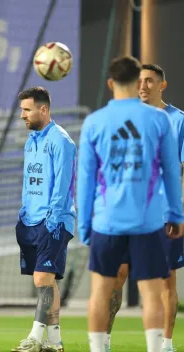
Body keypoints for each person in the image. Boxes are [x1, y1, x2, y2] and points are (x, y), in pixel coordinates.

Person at [76, 56, 184, 352]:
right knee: (151, 292)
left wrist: (84, 225)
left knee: (100, 291)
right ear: (138, 82)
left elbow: (85, 179)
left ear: (110, 83)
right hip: (149, 220)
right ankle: (155, 348)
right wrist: (175, 213)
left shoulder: (95, 122)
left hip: (106, 221)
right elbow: (172, 171)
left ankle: (99, 349)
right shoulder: (159, 119)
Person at [10, 87, 76, 352]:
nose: (23, 115)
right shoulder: (31, 140)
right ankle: (56, 343)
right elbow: (30, 182)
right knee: (49, 281)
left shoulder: (60, 141)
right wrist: (25, 211)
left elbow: (62, 185)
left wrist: (52, 218)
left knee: (41, 279)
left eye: (27, 110)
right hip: (31, 220)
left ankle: (35, 338)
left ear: (43, 109)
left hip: (54, 220)